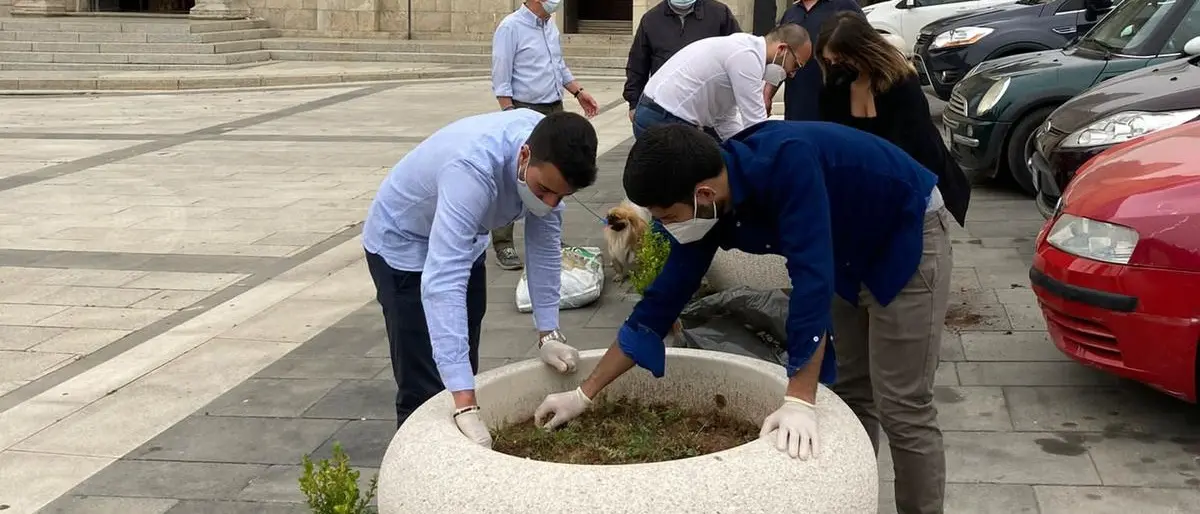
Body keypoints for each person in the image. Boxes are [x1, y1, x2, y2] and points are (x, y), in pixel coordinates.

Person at [534, 122, 952, 492]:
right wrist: (583, 394)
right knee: (852, 390)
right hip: (843, 248)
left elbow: (811, 280)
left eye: (667, 216)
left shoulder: (787, 162)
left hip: (903, 233)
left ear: (702, 193)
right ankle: (854, 495)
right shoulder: (708, 206)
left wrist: (799, 398)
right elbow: (660, 304)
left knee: (903, 404)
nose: (664, 227)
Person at [362, 110, 598, 448]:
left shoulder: (554, 153)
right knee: (425, 381)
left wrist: (548, 333)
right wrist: (465, 402)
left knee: (462, 353)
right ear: (524, 156)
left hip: (467, 235)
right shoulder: (471, 169)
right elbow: (443, 281)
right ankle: (419, 470)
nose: (549, 203)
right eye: (544, 190)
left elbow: (545, 246)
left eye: (560, 197)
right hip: (403, 242)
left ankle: (458, 430)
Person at [817, 12, 970, 227]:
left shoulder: (901, 84)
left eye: (841, 59)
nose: (835, 65)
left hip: (914, 187)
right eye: (829, 61)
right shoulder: (836, 86)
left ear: (863, 50)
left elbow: (914, 147)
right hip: (864, 193)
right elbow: (832, 142)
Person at [490, 0, 600, 271]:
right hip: (524, 108)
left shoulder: (550, 27)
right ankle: (503, 243)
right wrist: (510, 116)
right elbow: (501, 79)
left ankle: (547, 236)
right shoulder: (510, 28)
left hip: (553, 106)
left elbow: (558, 66)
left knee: (553, 177)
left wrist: (578, 91)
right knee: (516, 173)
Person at [631, 23, 812, 141]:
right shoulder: (747, 57)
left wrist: (739, 145)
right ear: (782, 49)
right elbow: (755, 124)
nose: (792, 74)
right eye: (795, 65)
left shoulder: (747, 52)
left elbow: (725, 117)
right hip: (663, 117)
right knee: (684, 189)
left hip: (661, 114)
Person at [624, 0, 742, 123]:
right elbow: (637, 64)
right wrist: (633, 103)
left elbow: (739, 53)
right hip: (665, 109)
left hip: (708, 110)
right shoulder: (651, 19)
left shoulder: (719, 14)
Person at [767, 0, 863, 121]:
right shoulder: (791, 14)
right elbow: (780, 60)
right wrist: (768, 93)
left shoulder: (845, 6)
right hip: (796, 108)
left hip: (833, 109)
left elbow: (864, 51)